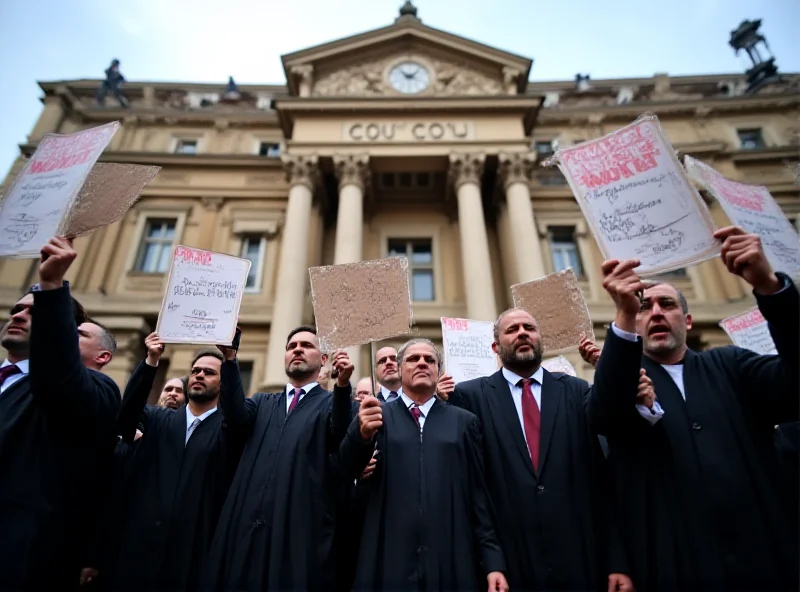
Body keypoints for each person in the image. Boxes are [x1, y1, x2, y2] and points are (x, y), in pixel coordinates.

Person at [589, 226, 799, 592]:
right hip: (673, 565)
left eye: (666, 305)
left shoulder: (732, 366)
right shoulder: (625, 384)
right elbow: (603, 415)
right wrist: (622, 314)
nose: (655, 312)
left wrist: (769, 286)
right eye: (643, 307)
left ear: (686, 321)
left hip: (763, 560)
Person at [448, 308, 632, 592]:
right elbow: (473, 490)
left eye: (529, 328)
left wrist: (617, 560)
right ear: (495, 347)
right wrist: (492, 561)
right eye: (512, 330)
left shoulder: (576, 390)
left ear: (540, 339)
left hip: (581, 560)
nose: (522, 332)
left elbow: (601, 481)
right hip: (511, 563)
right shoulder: (469, 397)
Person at [340, 338, 509, 592]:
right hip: (388, 556)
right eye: (413, 359)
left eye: (429, 360)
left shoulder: (464, 422)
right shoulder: (375, 415)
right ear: (399, 369)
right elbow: (346, 469)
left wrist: (493, 561)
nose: (422, 363)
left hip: (449, 556)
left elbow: (479, 497)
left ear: (438, 371)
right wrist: (360, 436)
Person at [0, 237, 120, 591]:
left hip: (18, 557)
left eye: (33, 309)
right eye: (15, 310)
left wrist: (51, 287)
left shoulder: (92, 388)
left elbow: (60, 385)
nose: (18, 315)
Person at [203, 326, 355, 591]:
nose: (297, 349)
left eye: (306, 345)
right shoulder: (262, 402)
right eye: (291, 346)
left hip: (298, 532)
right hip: (246, 529)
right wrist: (229, 360)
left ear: (323, 360)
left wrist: (342, 387)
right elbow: (235, 419)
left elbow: (339, 435)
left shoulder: (334, 402)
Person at [105, 333, 246, 592]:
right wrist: (151, 360)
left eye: (209, 372)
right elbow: (125, 420)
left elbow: (238, 418)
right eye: (195, 371)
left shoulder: (227, 429)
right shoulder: (157, 419)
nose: (199, 375)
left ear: (223, 382)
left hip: (192, 555)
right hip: (139, 551)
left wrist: (230, 357)